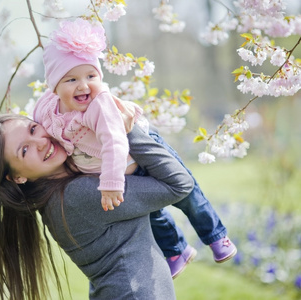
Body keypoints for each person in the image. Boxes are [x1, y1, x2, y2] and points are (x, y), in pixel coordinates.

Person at [33, 18, 237, 278]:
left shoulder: (99, 105)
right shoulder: (47, 107)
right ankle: (177, 251)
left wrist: (110, 183)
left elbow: (115, 143)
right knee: (151, 212)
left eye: (91, 76)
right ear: (54, 87)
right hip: (124, 172)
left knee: (187, 195)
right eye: (71, 79)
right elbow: (38, 122)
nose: (84, 85)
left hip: (134, 158)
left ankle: (216, 236)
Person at [0, 113, 195, 300]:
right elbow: (178, 184)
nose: (41, 142)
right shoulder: (78, 195)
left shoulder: (55, 197)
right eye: (24, 150)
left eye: (33, 129)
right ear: (17, 177)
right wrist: (121, 125)